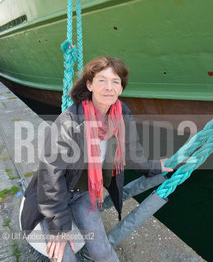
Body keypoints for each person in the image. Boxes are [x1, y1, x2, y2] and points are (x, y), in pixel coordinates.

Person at [21, 56, 173, 262]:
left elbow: (134, 154)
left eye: (115, 81)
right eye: (102, 80)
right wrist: (58, 225)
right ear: (90, 85)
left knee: (103, 252)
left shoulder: (122, 115)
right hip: (55, 195)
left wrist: (158, 166)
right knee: (64, 257)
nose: (109, 87)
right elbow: (50, 174)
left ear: (121, 88)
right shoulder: (70, 121)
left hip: (85, 194)